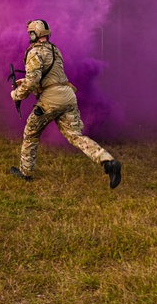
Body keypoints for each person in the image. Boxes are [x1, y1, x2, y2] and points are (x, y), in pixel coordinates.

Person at [10, 19, 122, 188]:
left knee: (31, 133)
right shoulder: (55, 50)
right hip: (68, 96)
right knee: (76, 136)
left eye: (30, 33)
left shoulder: (34, 52)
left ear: (34, 34)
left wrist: (16, 94)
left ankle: (26, 173)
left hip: (50, 100)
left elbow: (33, 81)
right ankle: (108, 161)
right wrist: (24, 81)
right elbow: (48, 76)